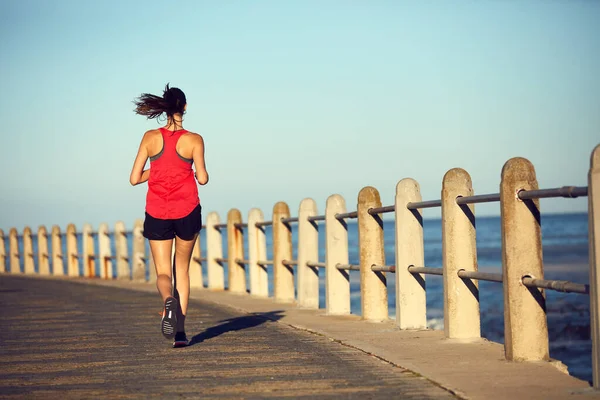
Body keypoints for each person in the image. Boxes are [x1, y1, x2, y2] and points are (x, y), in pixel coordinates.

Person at [129, 84, 209, 348]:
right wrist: (191, 170)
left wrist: (158, 168)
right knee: (182, 271)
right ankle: (181, 334)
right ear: (184, 107)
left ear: (164, 108)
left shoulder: (150, 137)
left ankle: (167, 302)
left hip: (157, 212)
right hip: (187, 210)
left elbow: (134, 179)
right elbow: (203, 178)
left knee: (164, 272)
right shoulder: (195, 139)